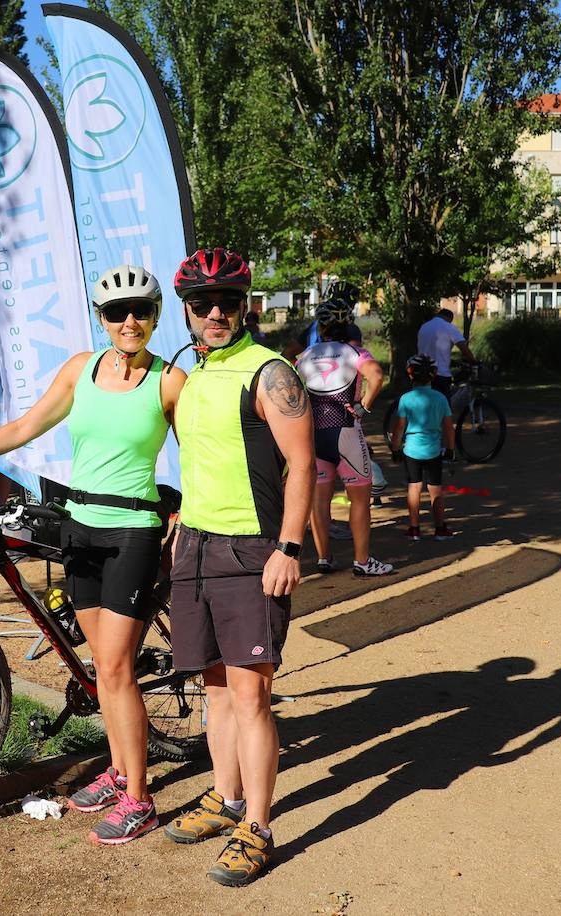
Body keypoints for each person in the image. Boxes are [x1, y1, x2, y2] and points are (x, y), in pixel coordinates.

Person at [0, 264, 186, 846]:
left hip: (133, 533)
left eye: (140, 310)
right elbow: (27, 426)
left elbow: (200, 453)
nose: (129, 321)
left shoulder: (170, 381)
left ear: (155, 315)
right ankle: (119, 772)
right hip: (80, 529)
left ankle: (140, 800)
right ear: (101, 318)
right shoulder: (81, 369)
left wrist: (186, 514)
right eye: (116, 312)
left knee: (115, 669)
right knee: (102, 668)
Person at [160, 247, 313, 886]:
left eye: (227, 301)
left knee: (252, 694)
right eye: (202, 303)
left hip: (253, 550)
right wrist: (181, 521)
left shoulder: (269, 372)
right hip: (196, 546)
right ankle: (224, 799)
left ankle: (258, 826)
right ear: (187, 310)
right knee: (216, 685)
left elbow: (303, 464)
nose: (215, 312)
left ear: (244, 304)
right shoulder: (192, 374)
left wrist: (289, 547)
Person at [296, 293, 392, 577]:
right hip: (346, 431)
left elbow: (289, 389)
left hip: (315, 435)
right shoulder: (355, 352)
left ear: (321, 327)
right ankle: (362, 562)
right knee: (360, 498)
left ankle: (324, 558)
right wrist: (364, 406)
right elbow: (377, 375)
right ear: (349, 324)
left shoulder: (305, 356)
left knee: (319, 501)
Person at [389, 354, 456, 541]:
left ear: (410, 374)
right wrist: (450, 449)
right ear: (434, 374)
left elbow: (399, 428)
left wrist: (395, 449)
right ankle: (440, 529)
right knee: (435, 488)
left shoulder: (406, 399)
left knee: (414, 486)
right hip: (433, 450)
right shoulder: (441, 398)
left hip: (412, 450)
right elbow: (449, 428)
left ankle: (414, 529)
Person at [416, 307, 475, 397]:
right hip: (440, 375)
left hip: (422, 373)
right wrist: (474, 361)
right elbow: (464, 349)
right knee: (443, 403)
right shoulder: (449, 327)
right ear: (449, 318)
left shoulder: (424, 327)